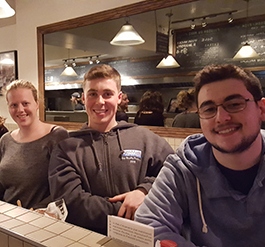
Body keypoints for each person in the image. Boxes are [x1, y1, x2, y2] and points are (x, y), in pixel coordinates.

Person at [135, 64, 265, 246]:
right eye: (209, 109)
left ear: (262, 109)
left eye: (234, 105)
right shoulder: (182, 168)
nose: (221, 118)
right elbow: (148, 225)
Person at [48, 64, 174, 235]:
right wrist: (128, 210)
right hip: (86, 239)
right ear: (83, 98)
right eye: (93, 94)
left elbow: (174, 174)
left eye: (107, 94)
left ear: (119, 98)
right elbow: (71, 202)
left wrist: (144, 191)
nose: (100, 101)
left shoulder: (145, 138)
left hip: (142, 237)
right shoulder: (66, 148)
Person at [0, 80, 68, 209]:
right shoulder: (5, 140)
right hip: (4, 218)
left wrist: (31, 214)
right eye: (14, 105)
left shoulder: (57, 136)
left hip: (40, 220)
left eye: (25, 103)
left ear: (37, 104)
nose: (20, 110)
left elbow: (63, 189)